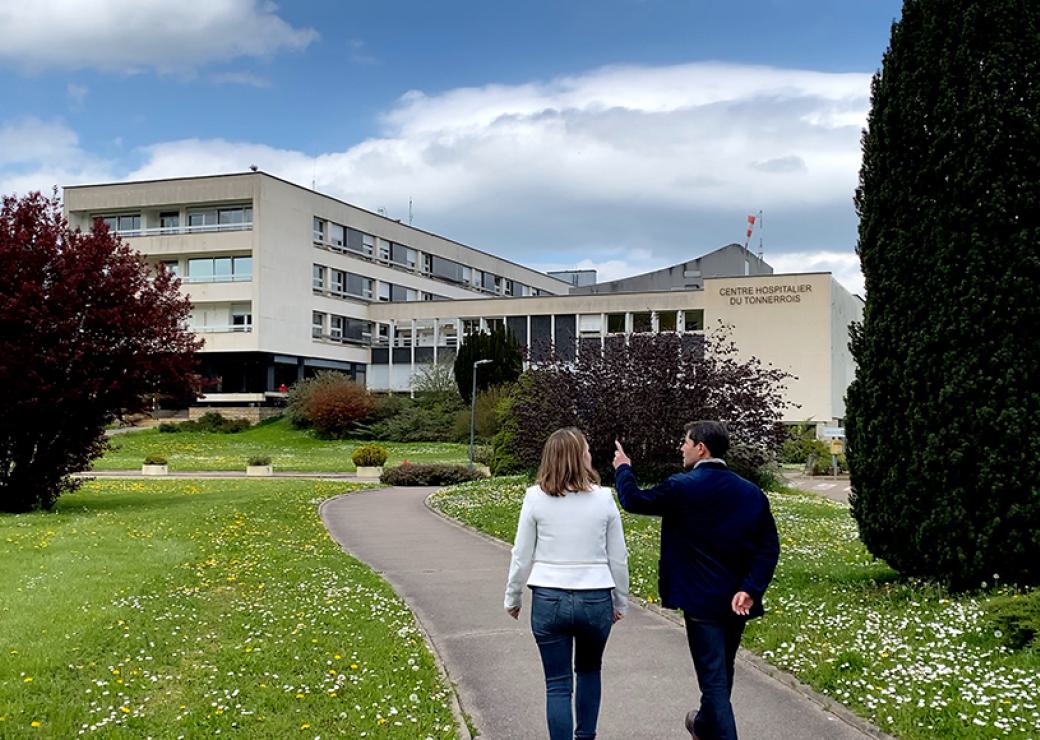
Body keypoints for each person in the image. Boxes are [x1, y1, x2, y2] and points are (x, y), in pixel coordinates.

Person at [612, 421, 779, 740]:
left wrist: (623, 468)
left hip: (700, 600)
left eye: (685, 442)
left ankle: (711, 726)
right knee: (721, 672)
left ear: (701, 447)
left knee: (714, 679)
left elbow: (634, 500)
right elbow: (769, 547)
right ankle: (703, 724)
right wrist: (750, 588)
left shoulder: (682, 487)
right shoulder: (751, 493)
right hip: (737, 600)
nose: (681, 448)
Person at [505, 427, 629, 740]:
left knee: (557, 685)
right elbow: (618, 558)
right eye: (586, 449)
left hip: (549, 598)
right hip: (595, 598)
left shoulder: (535, 498)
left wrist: (514, 597)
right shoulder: (604, 499)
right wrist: (620, 601)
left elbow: (521, 554)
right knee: (589, 671)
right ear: (578, 458)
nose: (590, 454)